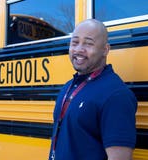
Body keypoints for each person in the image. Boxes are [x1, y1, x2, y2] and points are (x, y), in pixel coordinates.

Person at [49, 19, 137, 160]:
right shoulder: (68, 87)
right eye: (75, 42)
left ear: (105, 50)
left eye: (88, 43)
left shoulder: (116, 95)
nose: (79, 50)